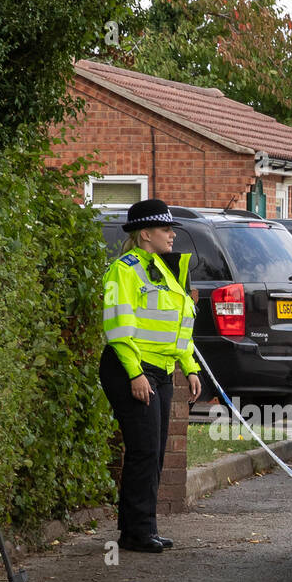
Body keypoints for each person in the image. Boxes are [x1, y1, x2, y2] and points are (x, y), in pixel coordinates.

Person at [99, 199, 202, 553]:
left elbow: (178, 327)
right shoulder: (123, 270)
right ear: (145, 234)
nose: (172, 235)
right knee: (143, 450)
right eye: (165, 229)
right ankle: (136, 533)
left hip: (159, 370)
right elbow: (118, 328)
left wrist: (189, 366)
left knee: (154, 451)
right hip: (130, 368)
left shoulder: (165, 269)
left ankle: (141, 528)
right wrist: (135, 373)